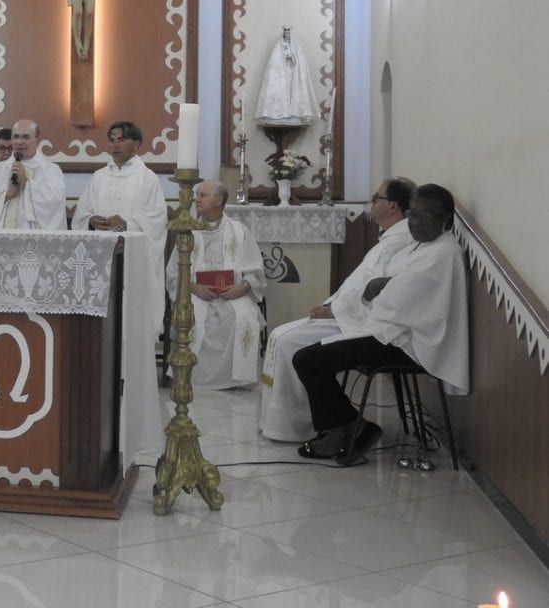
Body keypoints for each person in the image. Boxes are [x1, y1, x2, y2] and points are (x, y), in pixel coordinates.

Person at [292, 184, 469, 461]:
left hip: (409, 343)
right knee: (309, 358)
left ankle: (345, 429)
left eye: (425, 216)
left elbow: (396, 298)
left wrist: (382, 286)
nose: (415, 222)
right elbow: (385, 280)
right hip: (390, 332)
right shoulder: (422, 245)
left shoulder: (444, 253)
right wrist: (382, 285)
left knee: (308, 360)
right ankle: (352, 427)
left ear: (445, 218)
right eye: (412, 215)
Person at [259, 177, 416, 441]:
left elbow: (374, 289)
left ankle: (298, 426)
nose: (372, 202)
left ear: (393, 206)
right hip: (349, 315)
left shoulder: (399, 241)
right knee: (280, 335)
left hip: (362, 322)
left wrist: (334, 311)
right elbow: (358, 284)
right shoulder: (391, 237)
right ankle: (285, 423)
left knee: (287, 341)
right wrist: (332, 304)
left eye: (377, 198)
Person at [166, 180, 265, 388]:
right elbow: (173, 274)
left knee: (243, 316)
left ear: (219, 200)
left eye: (203, 195)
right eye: (197, 195)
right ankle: (191, 377)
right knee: (193, 317)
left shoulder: (240, 231)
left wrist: (242, 287)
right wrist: (194, 287)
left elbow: (254, 271)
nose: (197, 199)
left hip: (233, 294)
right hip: (195, 294)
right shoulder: (188, 232)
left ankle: (237, 378)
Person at [72, 120, 167, 289]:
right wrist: (91, 221)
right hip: (100, 251)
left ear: (137, 144)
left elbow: (157, 219)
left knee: (127, 297)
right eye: (112, 140)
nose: (115, 145)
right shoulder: (99, 176)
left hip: (131, 252)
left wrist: (127, 225)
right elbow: (83, 212)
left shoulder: (147, 178)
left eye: (122, 140)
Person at [0, 118, 66, 230]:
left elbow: (54, 203)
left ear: (36, 142)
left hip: (33, 238)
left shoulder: (50, 170)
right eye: (16, 137)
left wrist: (26, 182)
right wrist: (6, 195)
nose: (19, 142)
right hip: (1, 236)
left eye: (25, 137)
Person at [254, 27, 319, 126]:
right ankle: (279, 114)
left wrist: (292, 57)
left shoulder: (295, 45)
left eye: (289, 33)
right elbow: (275, 60)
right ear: (284, 34)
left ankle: (295, 115)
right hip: (281, 72)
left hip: (292, 72)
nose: (287, 35)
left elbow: (300, 59)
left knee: (294, 91)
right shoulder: (278, 45)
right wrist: (283, 58)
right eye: (286, 33)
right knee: (280, 90)